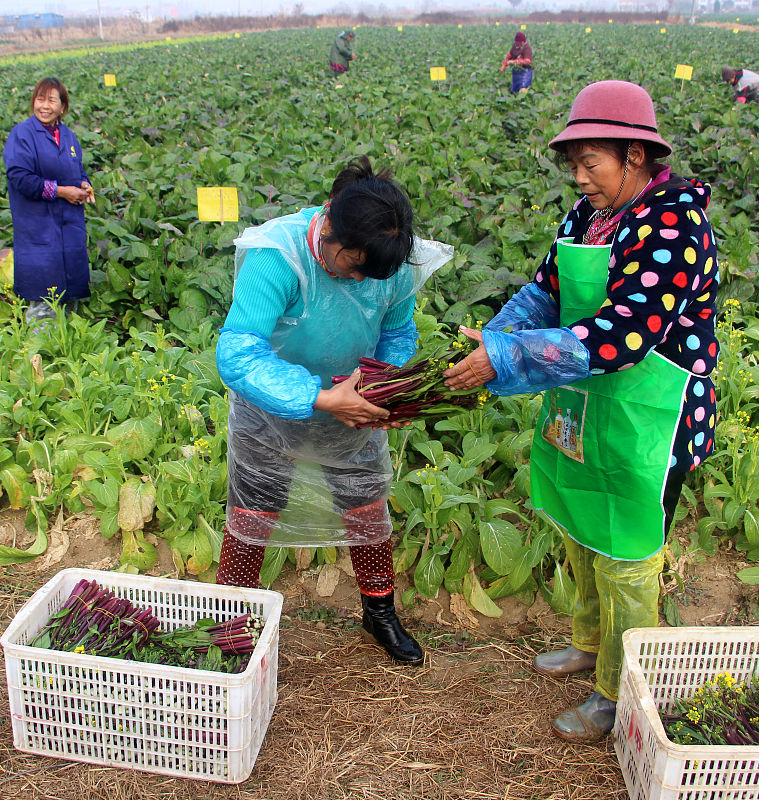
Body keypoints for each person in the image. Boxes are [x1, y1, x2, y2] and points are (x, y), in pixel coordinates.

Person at [444, 81, 718, 742]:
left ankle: (618, 688)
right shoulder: (586, 217)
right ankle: (590, 644)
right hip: (585, 400)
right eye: (573, 162)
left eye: (590, 161)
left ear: (633, 155)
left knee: (626, 551)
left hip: (647, 413)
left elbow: (626, 332)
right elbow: (545, 291)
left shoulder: (672, 223)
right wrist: (495, 337)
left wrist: (508, 360)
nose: (579, 175)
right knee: (581, 527)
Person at [215, 157, 453, 666]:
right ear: (328, 220)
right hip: (270, 412)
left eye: (373, 273)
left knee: (367, 509)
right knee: (252, 515)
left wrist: (378, 385)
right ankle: (232, 624)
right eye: (354, 265)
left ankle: (379, 612)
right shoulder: (277, 257)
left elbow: (396, 333)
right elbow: (238, 353)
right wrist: (319, 397)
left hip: (354, 406)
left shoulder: (388, 264)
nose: (361, 277)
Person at [3, 77, 94, 325]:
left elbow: (77, 171)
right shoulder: (21, 135)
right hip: (39, 229)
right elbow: (21, 178)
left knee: (69, 301)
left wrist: (85, 184)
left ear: (62, 107)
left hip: (69, 228)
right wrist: (62, 192)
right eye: (40, 99)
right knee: (43, 302)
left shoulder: (69, 137)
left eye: (51, 100)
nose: (45, 106)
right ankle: (40, 357)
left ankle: (68, 354)